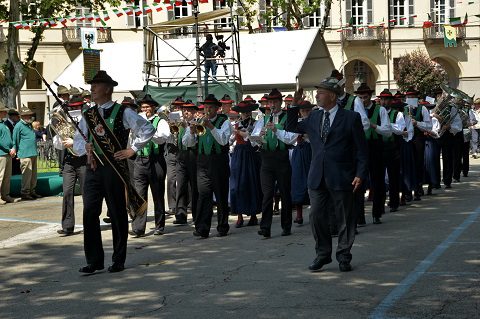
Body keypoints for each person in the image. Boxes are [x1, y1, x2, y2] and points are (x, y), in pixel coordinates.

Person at [73, 70, 155, 273]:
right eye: (92, 85)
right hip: (93, 169)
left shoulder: (124, 112)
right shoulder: (88, 115)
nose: (92, 88)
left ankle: (118, 258)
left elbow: (147, 129)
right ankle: (94, 260)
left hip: (114, 169)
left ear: (108, 89)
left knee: (117, 213)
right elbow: (77, 141)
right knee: (89, 212)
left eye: (96, 85)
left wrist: (132, 149)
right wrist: (86, 148)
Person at [286, 78, 368, 272]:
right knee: (316, 215)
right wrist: (294, 104)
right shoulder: (314, 117)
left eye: (321, 93)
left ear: (332, 95)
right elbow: (291, 126)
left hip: (341, 175)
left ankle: (344, 255)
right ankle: (323, 254)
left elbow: (361, 150)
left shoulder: (350, 117)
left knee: (345, 217)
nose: (317, 96)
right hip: (317, 175)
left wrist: (360, 173)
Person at [183, 94, 232, 238]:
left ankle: (222, 226)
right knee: (203, 195)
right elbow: (188, 143)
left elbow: (223, 140)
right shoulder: (197, 121)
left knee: (221, 195)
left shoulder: (224, 121)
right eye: (206, 107)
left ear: (217, 108)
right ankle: (202, 228)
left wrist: (211, 127)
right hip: (202, 162)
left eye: (211, 107)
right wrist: (191, 132)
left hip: (219, 161)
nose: (208, 110)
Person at [252, 88, 297, 238]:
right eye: (270, 102)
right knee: (267, 194)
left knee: (285, 193)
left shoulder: (287, 117)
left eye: (275, 102)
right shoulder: (263, 119)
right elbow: (253, 141)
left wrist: (276, 131)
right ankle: (265, 227)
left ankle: (286, 225)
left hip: (282, 158)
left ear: (280, 102)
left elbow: (291, 138)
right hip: (266, 158)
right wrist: (260, 135)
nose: (272, 105)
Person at [130, 94, 170, 237]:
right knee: (139, 196)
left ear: (153, 108)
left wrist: (148, 131)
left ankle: (159, 225)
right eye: (143, 107)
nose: (144, 109)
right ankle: (138, 228)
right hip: (140, 160)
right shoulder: (138, 121)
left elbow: (162, 138)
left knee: (158, 194)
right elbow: (133, 140)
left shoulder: (160, 121)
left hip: (156, 160)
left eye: (147, 107)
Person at [355, 84, 392, 224]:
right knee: (359, 182)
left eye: (365, 97)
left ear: (370, 97)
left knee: (378, 182)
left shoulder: (380, 110)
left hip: (376, 147)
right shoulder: (355, 111)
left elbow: (388, 131)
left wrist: (373, 126)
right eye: (360, 98)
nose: (363, 100)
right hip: (360, 148)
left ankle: (377, 213)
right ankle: (360, 217)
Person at [52, 96, 87, 236]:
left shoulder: (86, 121)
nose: (74, 110)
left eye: (76, 107)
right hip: (69, 160)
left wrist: (75, 142)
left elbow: (91, 141)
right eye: (72, 107)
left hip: (84, 159)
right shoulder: (64, 120)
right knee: (67, 192)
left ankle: (89, 223)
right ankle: (67, 226)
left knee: (87, 193)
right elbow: (57, 143)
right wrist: (61, 141)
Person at [230, 99, 261, 228]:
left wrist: (239, 132)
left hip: (251, 154)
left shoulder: (255, 123)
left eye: (247, 111)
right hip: (239, 154)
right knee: (237, 185)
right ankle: (239, 216)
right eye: (243, 112)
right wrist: (233, 133)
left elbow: (252, 136)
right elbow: (230, 140)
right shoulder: (236, 124)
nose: (245, 114)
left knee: (251, 183)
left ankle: (253, 215)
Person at [378, 89, 404, 212]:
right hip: (379, 148)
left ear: (391, 101)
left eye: (386, 100)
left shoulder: (397, 114)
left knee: (393, 177)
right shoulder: (377, 112)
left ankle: (394, 202)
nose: (384, 102)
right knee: (379, 178)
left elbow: (399, 129)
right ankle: (380, 204)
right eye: (382, 99)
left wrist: (387, 125)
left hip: (393, 148)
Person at [174, 100, 199, 225]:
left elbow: (192, 141)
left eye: (188, 110)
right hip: (181, 155)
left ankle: (196, 214)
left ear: (194, 112)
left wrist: (189, 128)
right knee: (181, 185)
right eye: (184, 110)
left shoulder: (196, 123)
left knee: (195, 186)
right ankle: (180, 215)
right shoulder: (180, 123)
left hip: (193, 156)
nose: (186, 112)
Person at [405, 88, 432, 198]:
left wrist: (417, 123)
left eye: (412, 97)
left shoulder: (423, 108)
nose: (410, 99)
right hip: (407, 139)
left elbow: (428, 126)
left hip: (418, 139)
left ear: (416, 98)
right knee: (407, 164)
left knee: (418, 163)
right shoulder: (404, 109)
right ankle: (407, 190)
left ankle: (418, 187)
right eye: (409, 97)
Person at [290, 100, 313, 225]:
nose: (305, 113)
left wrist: (309, 137)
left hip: (311, 152)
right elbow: (290, 137)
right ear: (299, 112)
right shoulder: (296, 123)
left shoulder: (315, 122)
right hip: (299, 153)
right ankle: (299, 215)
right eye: (303, 110)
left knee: (312, 181)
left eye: (308, 110)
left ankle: (314, 212)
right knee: (298, 182)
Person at [12, 106, 41, 200]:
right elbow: (15, 140)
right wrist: (16, 152)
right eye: (26, 115)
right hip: (25, 154)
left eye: (29, 115)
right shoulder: (18, 126)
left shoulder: (29, 124)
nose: (28, 116)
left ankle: (32, 191)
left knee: (33, 174)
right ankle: (25, 193)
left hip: (32, 153)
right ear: (21, 116)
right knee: (27, 175)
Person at [165, 97, 184, 216]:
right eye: (175, 106)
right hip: (171, 150)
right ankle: (172, 205)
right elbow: (166, 137)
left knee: (184, 180)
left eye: (179, 106)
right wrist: (169, 126)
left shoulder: (185, 120)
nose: (177, 108)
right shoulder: (168, 119)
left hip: (182, 151)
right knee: (171, 179)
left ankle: (186, 204)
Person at [0, 103, 17, 204]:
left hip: (7, 153)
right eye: (3, 111)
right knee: (1, 176)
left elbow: (9, 139)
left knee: (7, 176)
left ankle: (5, 195)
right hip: (2, 154)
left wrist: (13, 148)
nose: (5, 113)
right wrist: (8, 149)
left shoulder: (3, 124)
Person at [5, 109, 21, 175]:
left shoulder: (15, 124)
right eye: (17, 116)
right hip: (11, 149)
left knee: (17, 166)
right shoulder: (6, 124)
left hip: (16, 148)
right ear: (12, 116)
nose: (18, 118)